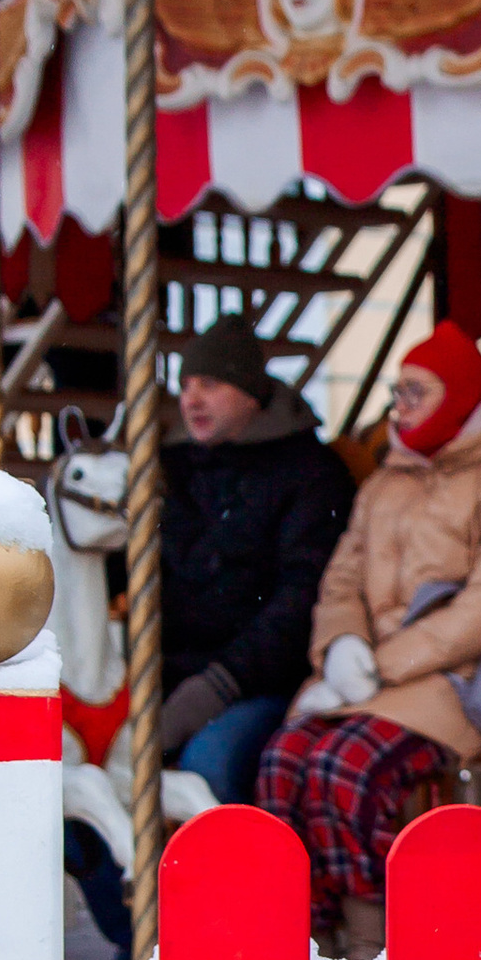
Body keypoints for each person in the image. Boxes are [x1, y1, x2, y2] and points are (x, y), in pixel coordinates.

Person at [256, 319, 481, 955]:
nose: (402, 407)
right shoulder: (384, 483)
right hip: (363, 674)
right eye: (400, 392)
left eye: (418, 392)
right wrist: (340, 647)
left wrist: (380, 664)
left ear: (460, 398)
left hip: (454, 679)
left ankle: (370, 942)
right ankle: (306, 936)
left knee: (345, 770)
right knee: (282, 764)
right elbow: (340, 581)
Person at [157, 316, 356, 806]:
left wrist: (221, 683)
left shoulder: (309, 473)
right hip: (170, 672)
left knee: (211, 763)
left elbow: (302, 597)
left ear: (250, 394)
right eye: (185, 385)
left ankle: (226, 880)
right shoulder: (172, 468)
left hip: (260, 682)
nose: (191, 399)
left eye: (210, 383)